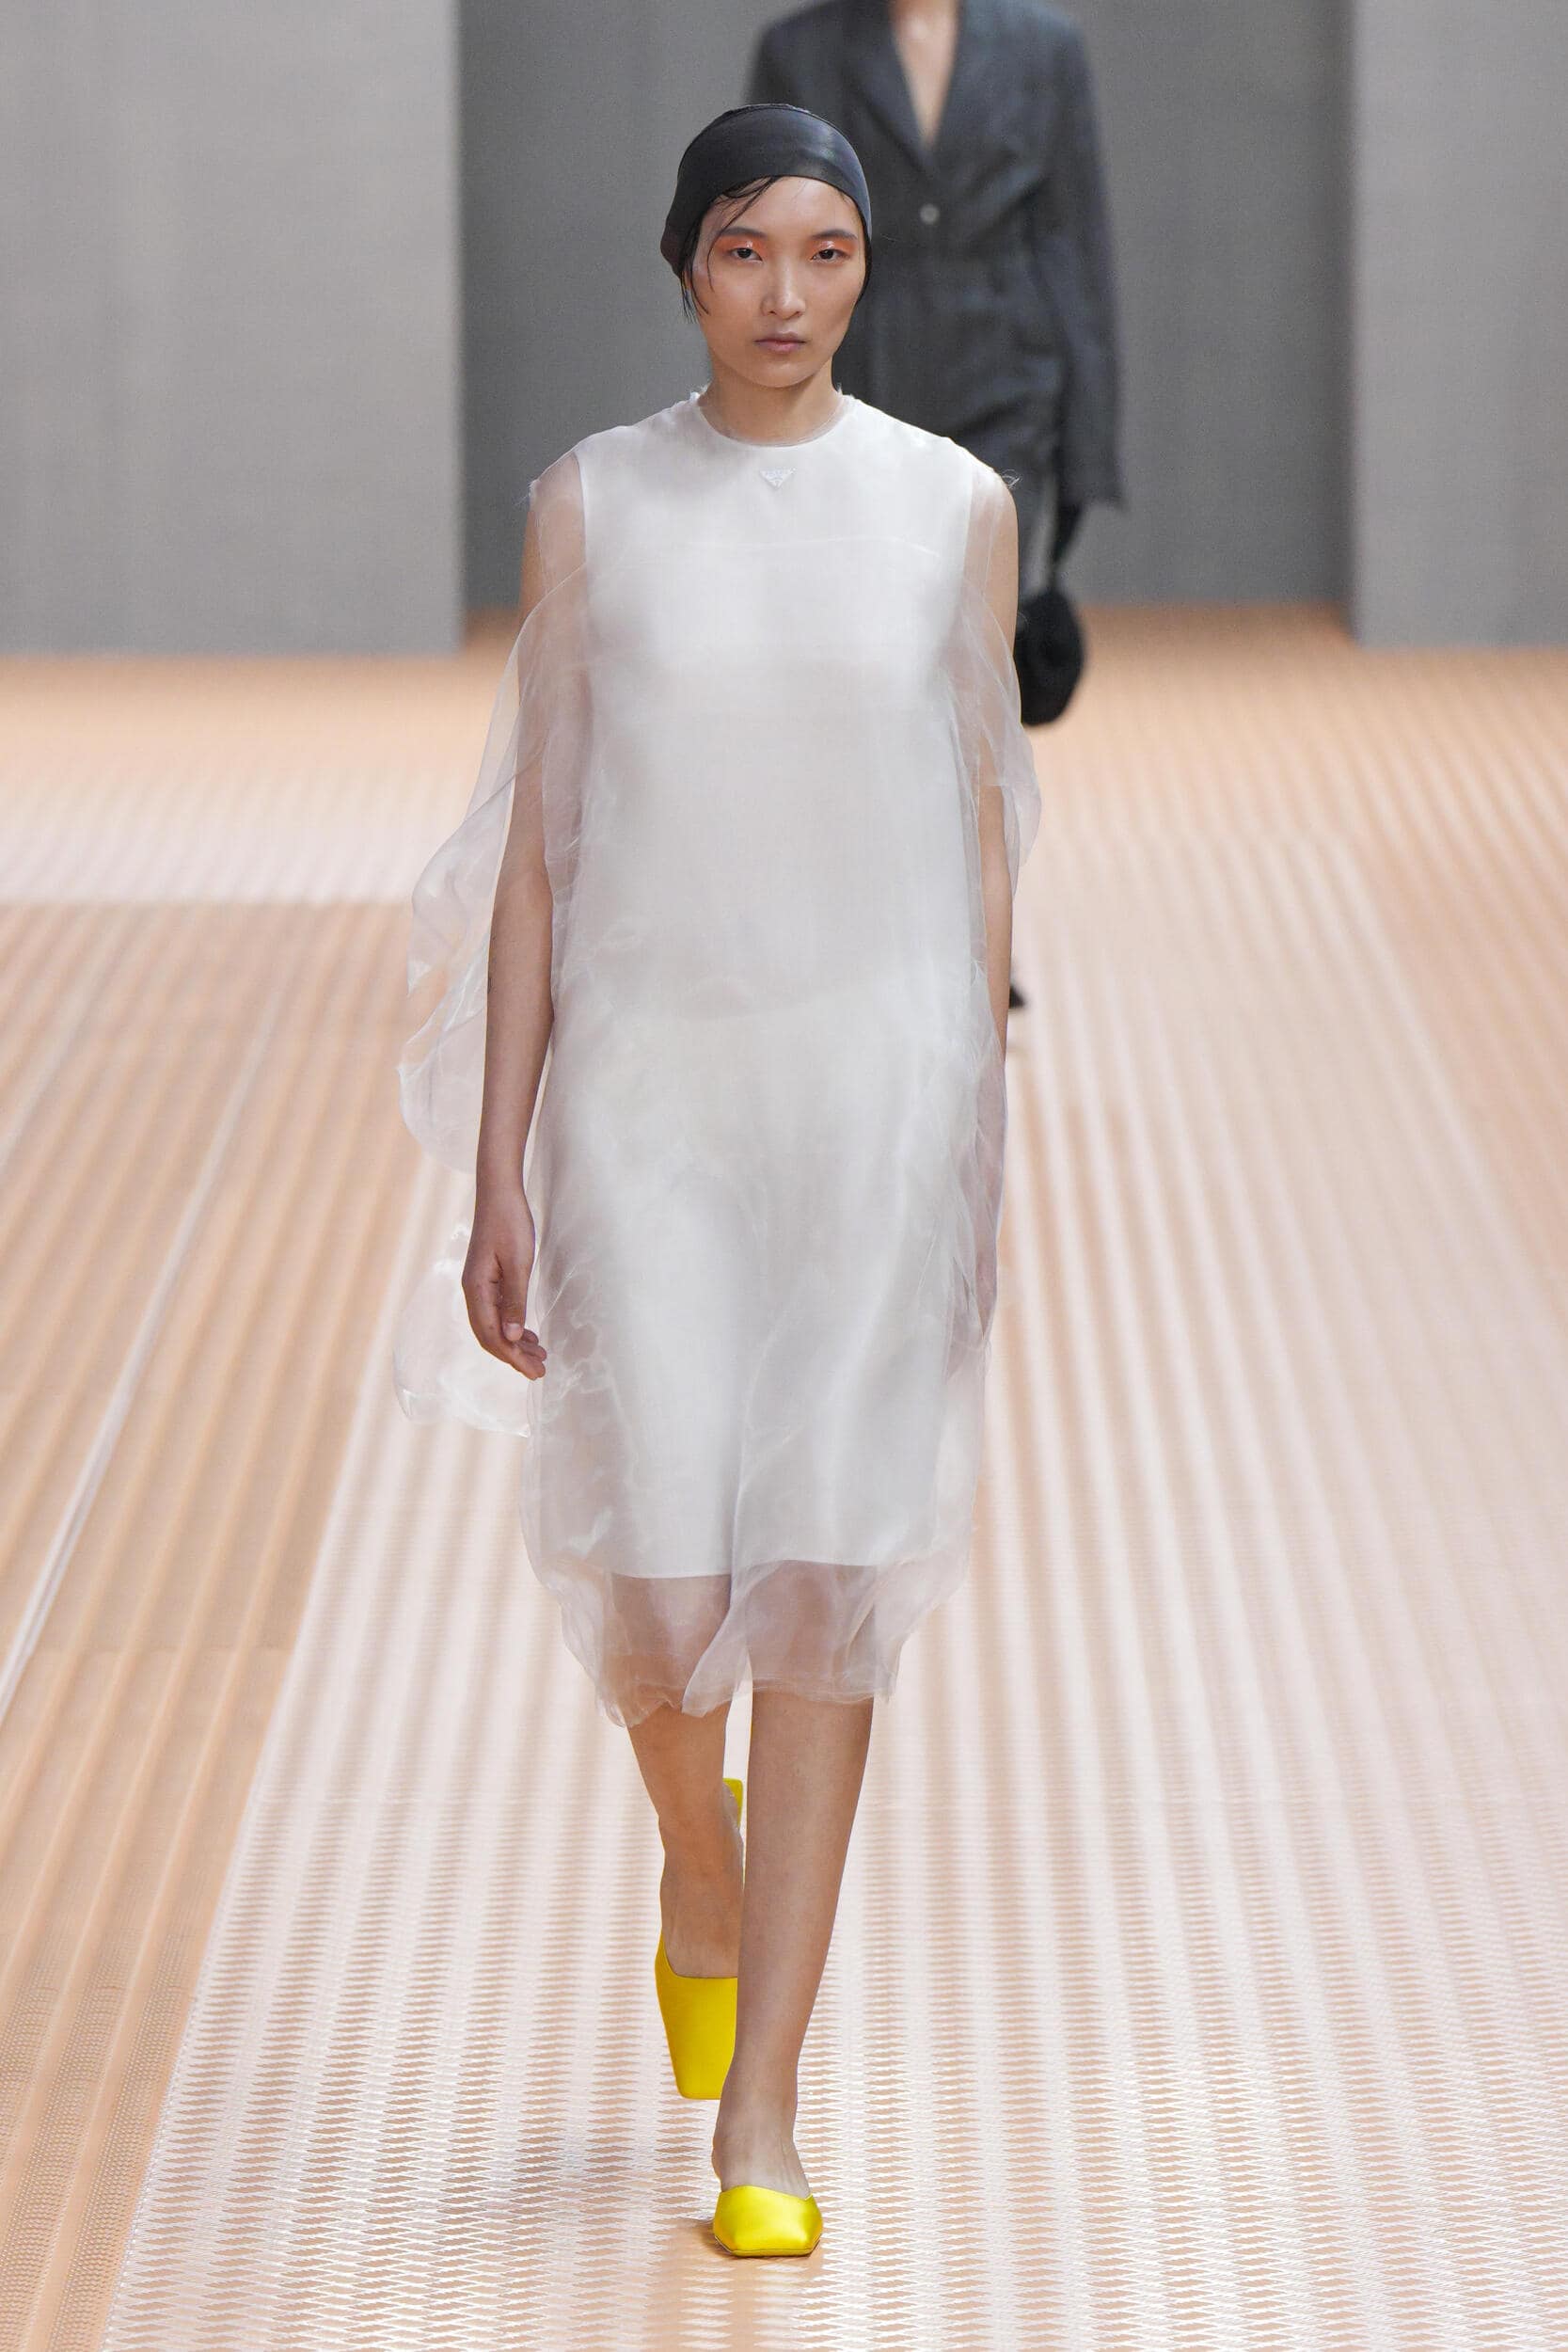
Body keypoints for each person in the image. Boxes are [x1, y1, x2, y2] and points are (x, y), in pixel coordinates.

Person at [391, 103, 1039, 2260]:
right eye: (749, 249)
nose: (788, 292)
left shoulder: (951, 510)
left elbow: (983, 834)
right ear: (686, 264)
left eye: (828, 251)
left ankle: (763, 2107)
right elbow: (539, 853)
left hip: (874, 1094)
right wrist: (499, 1160)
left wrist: (978, 1129)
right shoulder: (595, 504)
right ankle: (697, 1857)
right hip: (650, 1096)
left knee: (825, 1580)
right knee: (666, 1603)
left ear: (867, 272)